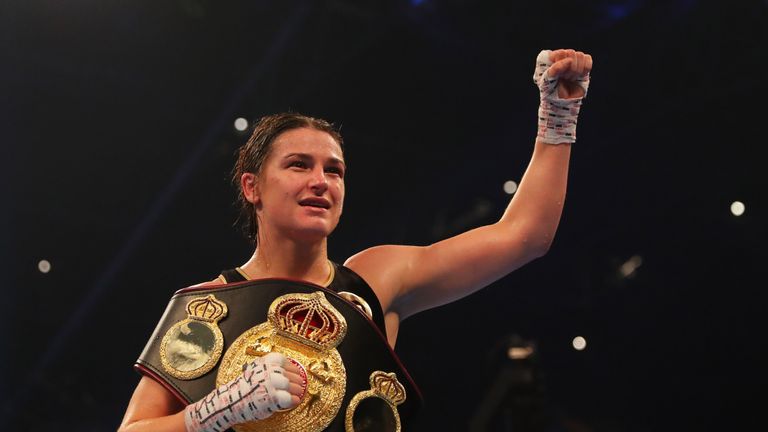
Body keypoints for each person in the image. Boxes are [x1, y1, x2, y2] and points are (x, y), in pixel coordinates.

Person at [118, 48, 593, 432]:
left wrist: (559, 114)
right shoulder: (209, 307)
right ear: (252, 187)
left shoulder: (376, 279)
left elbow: (524, 236)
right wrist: (212, 413)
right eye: (299, 165)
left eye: (334, 170)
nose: (321, 181)